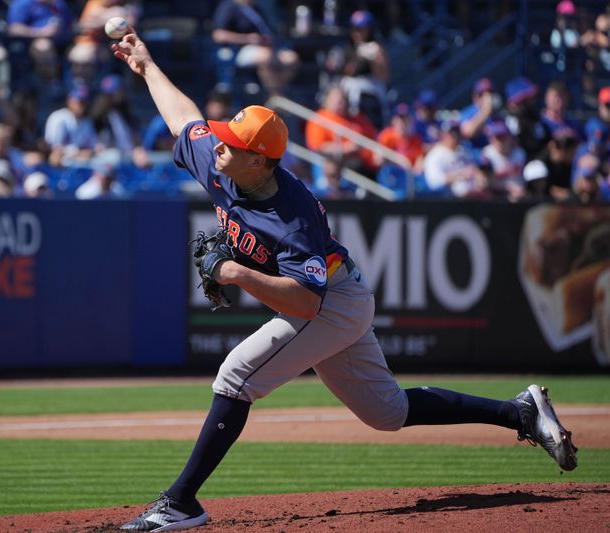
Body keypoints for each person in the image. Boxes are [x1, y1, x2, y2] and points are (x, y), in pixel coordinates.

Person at [110, 30, 578, 532]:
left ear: (260, 160)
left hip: (330, 301)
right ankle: (521, 413)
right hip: (333, 298)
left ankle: (181, 501)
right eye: (223, 139)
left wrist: (236, 272)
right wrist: (147, 64)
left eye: (232, 144)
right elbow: (186, 120)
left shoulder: (292, 216)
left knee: (236, 376)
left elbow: (307, 304)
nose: (219, 146)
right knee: (387, 412)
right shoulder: (225, 164)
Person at [211, 0, 299, 95]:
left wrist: (266, 39)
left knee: (291, 58)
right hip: (238, 50)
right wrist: (247, 38)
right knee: (265, 56)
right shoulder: (229, 6)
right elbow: (218, 35)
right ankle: (274, 95)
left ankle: (278, 92)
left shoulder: (256, 8)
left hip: (265, 47)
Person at [423, 119, 489, 198]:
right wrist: (460, 175)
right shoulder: (435, 155)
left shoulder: (464, 151)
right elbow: (434, 182)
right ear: (443, 135)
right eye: (452, 133)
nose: (456, 136)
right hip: (450, 201)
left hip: (474, 198)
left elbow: (473, 170)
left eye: (457, 133)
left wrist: (478, 175)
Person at [44, 83, 97, 167]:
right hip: (62, 164)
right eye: (79, 101)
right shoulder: (59, 118)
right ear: (69, 101)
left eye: (85, 102)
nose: (82, 105)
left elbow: (93, 148)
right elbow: (53, 150)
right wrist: (79, 153)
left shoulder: (87, 122)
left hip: (83, 163)